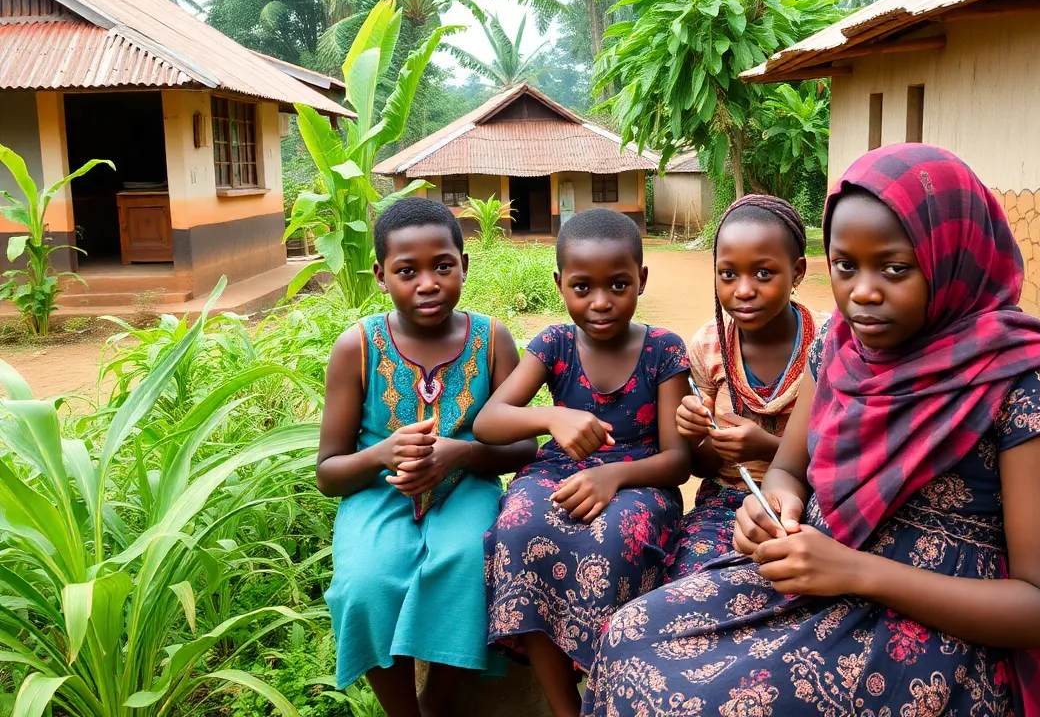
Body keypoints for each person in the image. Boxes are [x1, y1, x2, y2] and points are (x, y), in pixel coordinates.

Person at [582, 144, 1040, 717]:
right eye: (846, 266)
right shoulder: (841, 346)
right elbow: (791, 469)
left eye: (894, 268)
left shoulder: (1030, 383)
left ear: (953, 257)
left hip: (944, 628)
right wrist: (777, 508)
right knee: (628, 640)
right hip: (821, 576)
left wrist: (857, 571)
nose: (862, 291)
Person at [317, 198, 536, 717]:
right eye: (406, 271)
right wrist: (381, 454)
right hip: (377, 494)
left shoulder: (491, 339)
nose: (428, 283)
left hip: (468, 488)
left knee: (470, 566)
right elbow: (328, 472)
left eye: (443, 265)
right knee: (365, 581)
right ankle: (402, 712)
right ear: (380, 275)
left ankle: (436, 703)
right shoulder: (359, 347)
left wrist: (459, 454)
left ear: (465, 264)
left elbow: (525, 446)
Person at [475, 208, 692, 717]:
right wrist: (552, 416)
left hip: (640, 479)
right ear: (558, 283)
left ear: (641, 278)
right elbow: (489, 421)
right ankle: (563, 707)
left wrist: (611, 475)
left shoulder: (664, 349)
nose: (600, 301)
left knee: (614, 541)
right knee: (517, 528)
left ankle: (610, 693)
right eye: (581, 286)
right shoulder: (553, 343)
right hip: (557, 470)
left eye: (618, 285)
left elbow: (678, 460)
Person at [670, 195, 818, 578]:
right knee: (693, 577)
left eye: (764, 273)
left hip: (811, 505)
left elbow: (845, 452)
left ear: (797, 271)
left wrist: (765, 447)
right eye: (728, 274)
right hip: (725, 504)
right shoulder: (707, 346)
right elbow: (704, 466)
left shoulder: (831, 342)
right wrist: (694, 434)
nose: (744, 290)